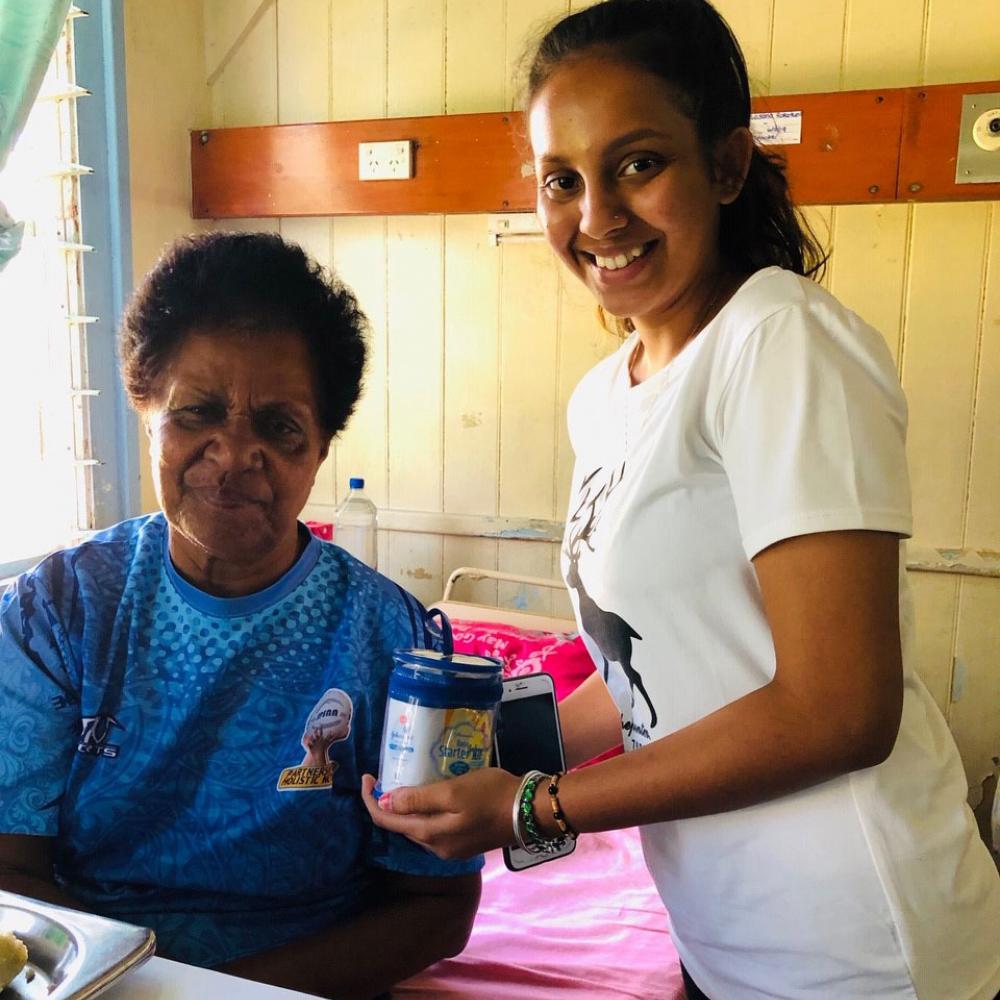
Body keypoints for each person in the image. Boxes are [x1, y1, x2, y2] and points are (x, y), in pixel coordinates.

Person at [362, 2, 1000, 997]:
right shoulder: (605, 398)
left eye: (639, 163)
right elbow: (642, 677)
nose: (597, 216)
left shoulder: (780, 346)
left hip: (857, 949)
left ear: (729, 165)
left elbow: (840, 707)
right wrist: (460, 762)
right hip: (720, 937)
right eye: (561, 180)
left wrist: (537, 807)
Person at [0, 231, 481, 1000]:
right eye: (197, 414)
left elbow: (437, 903)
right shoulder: (58, 613)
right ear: (146, 408)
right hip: (98, 980)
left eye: (279, 427)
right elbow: (11, 869)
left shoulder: (393, 643)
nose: (233, 454)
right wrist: (136, 987)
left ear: (321, 445)